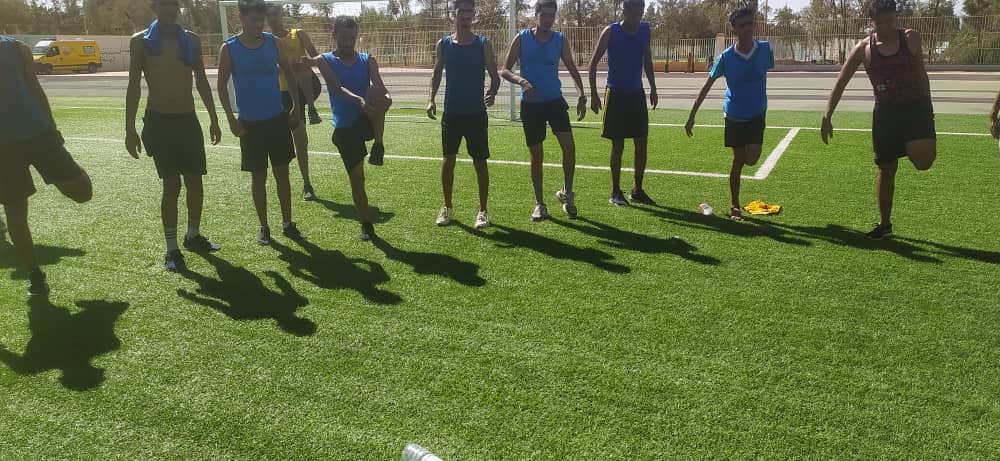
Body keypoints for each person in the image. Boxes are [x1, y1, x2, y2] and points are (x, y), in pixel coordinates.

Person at [821, 0, 936, 240]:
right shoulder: (864, 48)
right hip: (885, 114)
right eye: (880, 23)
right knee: (887, 168)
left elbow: (921, 74)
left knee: (923, 162)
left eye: (889, 21)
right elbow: (841, 81)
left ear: (897, 17)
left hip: (916, 108)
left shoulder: (911, 38)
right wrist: (827, 115)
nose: (885, 27)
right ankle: (885, 225)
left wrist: (928, 110)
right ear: (872, 23)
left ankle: (911, 143)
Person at [126, 0, 223, 273]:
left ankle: (193, 235)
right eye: (165, 5)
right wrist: (129, 128)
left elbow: (201, 80)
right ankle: (171, 248)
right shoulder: (140, 42)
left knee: (195, 181)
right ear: (155, 9)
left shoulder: (191, 40)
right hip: (159, 122)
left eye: (174, 5)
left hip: (187, 120)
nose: (170, 10)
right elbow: (133, 85)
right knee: (172, 185)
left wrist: (214, 119)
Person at [0, 35, 93, 296]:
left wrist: (52, 126)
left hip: (39, 135)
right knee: (16, 214)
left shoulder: (17, 48)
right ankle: (35, 275)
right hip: (4, 149)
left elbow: (35, 88)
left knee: (83, 192)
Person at [217, 0, 305, 246]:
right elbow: (221, 86)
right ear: (241, 17)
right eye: (253, 20)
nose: (258, 24)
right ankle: (264, 227)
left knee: (282, 174)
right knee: (258, 178)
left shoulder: (273, 42)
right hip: (250, 125)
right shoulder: (229, 48)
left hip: (277, 120)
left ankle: (288, 223)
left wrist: (296, 105)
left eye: (261, 20)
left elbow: (289, 74)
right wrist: (230, 119)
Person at [500, 0, 587, 222]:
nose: (548, 19)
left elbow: (572, 68)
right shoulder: (522, 38)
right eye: (544, 15)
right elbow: (505, 70)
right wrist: (521, 81)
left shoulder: (559, 39)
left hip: (555, 102)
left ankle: (567, 193)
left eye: (552, 15)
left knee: (569, 148)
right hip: (531, 106)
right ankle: (539, 204)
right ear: (536, 14)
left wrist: (581, 94)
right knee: (537, 155)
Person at [685, 5, 773, 221]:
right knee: (739, 159)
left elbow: (765, 71)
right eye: (742, 25)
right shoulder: (726, 58)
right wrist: (692, 115)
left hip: (757, 112)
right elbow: (707, 85)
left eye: (750, 24)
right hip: (734, 115)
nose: (748, 29)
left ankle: (735, 199)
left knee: (752, 159)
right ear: (734, 29)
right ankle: (735, 205)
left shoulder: (765, 50)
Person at [311, 16, 392, 241]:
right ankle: (366, 223)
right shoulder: (325, 60)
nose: (348, 42)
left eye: (352, 37)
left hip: (367, 120)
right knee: (357, 178)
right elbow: (336, 88)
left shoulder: (368, 60)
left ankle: (378, 144)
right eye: (343, 37)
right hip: (346, 128)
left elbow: (381, 89)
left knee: (378, 93)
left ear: (357, 37)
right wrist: (359, 100)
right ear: (334, 35)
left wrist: (386, 99)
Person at [427, 0, 501, 229]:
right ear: (454, 14)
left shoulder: (483, 44)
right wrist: (430, 99)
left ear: (474, 15)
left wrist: (493, 92)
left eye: (470, 11)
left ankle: (483, 211)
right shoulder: (444, 44)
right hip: (451, 114)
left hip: (476, 114)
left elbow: (495, 75)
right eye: (462, 11)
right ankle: (447, 207)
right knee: (448, 161)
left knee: (480, 162)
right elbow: (436, 74)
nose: (466, 15)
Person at [588, 0, 659, 207]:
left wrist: (653, 87)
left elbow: (647, 60)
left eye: (640, 13)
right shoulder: (610, 32)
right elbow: (592, 65)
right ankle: (615, 191)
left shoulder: (645, 29)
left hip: (637, 94)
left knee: (641, 144)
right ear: (624, 10)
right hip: (616, 95)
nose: (637, 17)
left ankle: (637, 190)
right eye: (633, 12)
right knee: (618, 146)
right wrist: (594, 94)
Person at [266, 4, 322, 201]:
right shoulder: (266, 41)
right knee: (294, 139)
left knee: (301, 66)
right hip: (282, 94)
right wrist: (286, 67)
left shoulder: (298, 34)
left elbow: (317, 58)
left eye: (275, 13)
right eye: (268, 15)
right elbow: (270, 69)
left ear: (281, 14)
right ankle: (290, 183)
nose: (272, 18)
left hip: (304, 89)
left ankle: (307, 184)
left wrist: (307, 61)